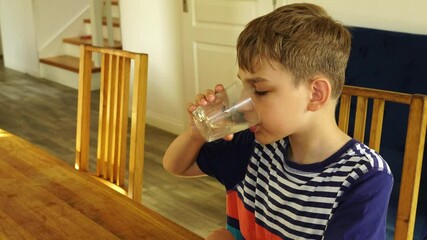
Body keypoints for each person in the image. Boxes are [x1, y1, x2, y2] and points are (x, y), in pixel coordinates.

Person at [163, 3, 393, 240]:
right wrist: (196, 135)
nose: (243, 102)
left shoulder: (364, 177)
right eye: (243, 85)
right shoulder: (253, 148)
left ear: (315, 94)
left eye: (260, 90)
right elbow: (177, 166)